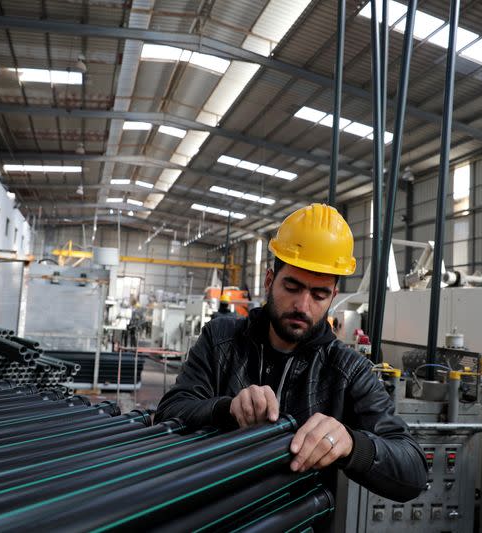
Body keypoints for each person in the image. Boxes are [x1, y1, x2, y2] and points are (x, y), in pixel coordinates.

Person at [156, 203, 426, 503]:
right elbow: (170, 411)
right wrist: (226, 408)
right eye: (292, 286)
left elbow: (412, 471)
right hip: (209, 511)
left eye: (319, 294)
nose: (303, 305)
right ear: (270, 281)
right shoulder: (221, 340)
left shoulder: (347, 371)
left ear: (333, 296)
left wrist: (352, 444)